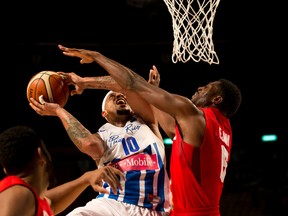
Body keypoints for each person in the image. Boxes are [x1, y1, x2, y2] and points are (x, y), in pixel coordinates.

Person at [57, 44, 242, 216]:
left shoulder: (190, 115)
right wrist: (154, 92)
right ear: (104, 113)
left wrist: (96, 56)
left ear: (217, 99)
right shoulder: (222, 129)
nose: (200, 87)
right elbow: (170, 128)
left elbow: (131, 84)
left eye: (207, 88)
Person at [28, 79, 171, 214]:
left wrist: (149, 91)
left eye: (120, 95)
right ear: (105, 113)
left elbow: (126, 84)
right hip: (113, 204)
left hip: (154, 208)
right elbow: (88, 144)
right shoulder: (102, 135)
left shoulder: (147, 122)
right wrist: (59, 111)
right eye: (111, 97)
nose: (118, 96)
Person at [0, 125, 124, 216]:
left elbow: (52, 204)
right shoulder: (18, 192)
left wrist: (85, 179)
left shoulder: (28, 198)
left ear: (5, 169)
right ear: (40, 155)